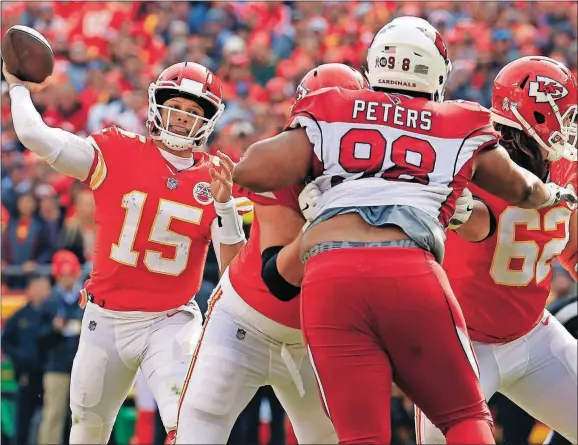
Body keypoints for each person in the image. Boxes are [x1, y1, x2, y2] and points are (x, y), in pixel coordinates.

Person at [232, 17, 577, 445]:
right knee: (464, 419)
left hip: (341, 279)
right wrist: (544, 196)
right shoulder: (461, 127)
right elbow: (510, 199)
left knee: (363, 434)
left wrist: (311, 180)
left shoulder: (335, 108)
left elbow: (250, 169)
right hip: (432, 298)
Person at [4, 60, 248, 444]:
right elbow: (37, 136)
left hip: (171, 318)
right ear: (158, 106)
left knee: (190, 423)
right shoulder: (117, 150)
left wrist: (225, 206)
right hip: (107, 317)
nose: (183, 118)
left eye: (194, 111)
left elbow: (236, 273)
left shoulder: (216, 178)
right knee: (87, 429)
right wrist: (17, 88)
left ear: (208, 121)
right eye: (178, 107)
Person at [174, 63, 367, 445]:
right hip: (244, 322)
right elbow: (277, 277)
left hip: (311, 336)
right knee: (199, 431)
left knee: (331, 438)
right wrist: (323, 226)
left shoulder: (376, 174)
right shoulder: (281, 162)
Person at [416, 56, 578, 445]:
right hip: (462, 345)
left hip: (533, 334)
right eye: (563, 116)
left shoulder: (565, 169)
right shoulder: (473, 162)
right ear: (535, 116)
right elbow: (469, 222)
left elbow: (573, 248)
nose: (570, 128)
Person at [38, 250, 84, 445]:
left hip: (82, 366)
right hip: (56, 365)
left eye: (69, 274)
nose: (66, 279)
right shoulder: (50, 302)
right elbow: (38, 335)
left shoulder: (85, 299)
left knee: (84, 417)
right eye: (63, 275)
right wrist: (53, 328)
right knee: (53, 416)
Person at [1, 275, 52, 445]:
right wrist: (19, 358)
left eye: (46, 287)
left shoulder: (52, 314)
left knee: (54, 417)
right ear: (30, 290)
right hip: (26, 375)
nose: (44, 291)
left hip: (49, 373)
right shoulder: (20, 316)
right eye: (39, 287)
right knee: (23, 419)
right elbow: (6, 340)